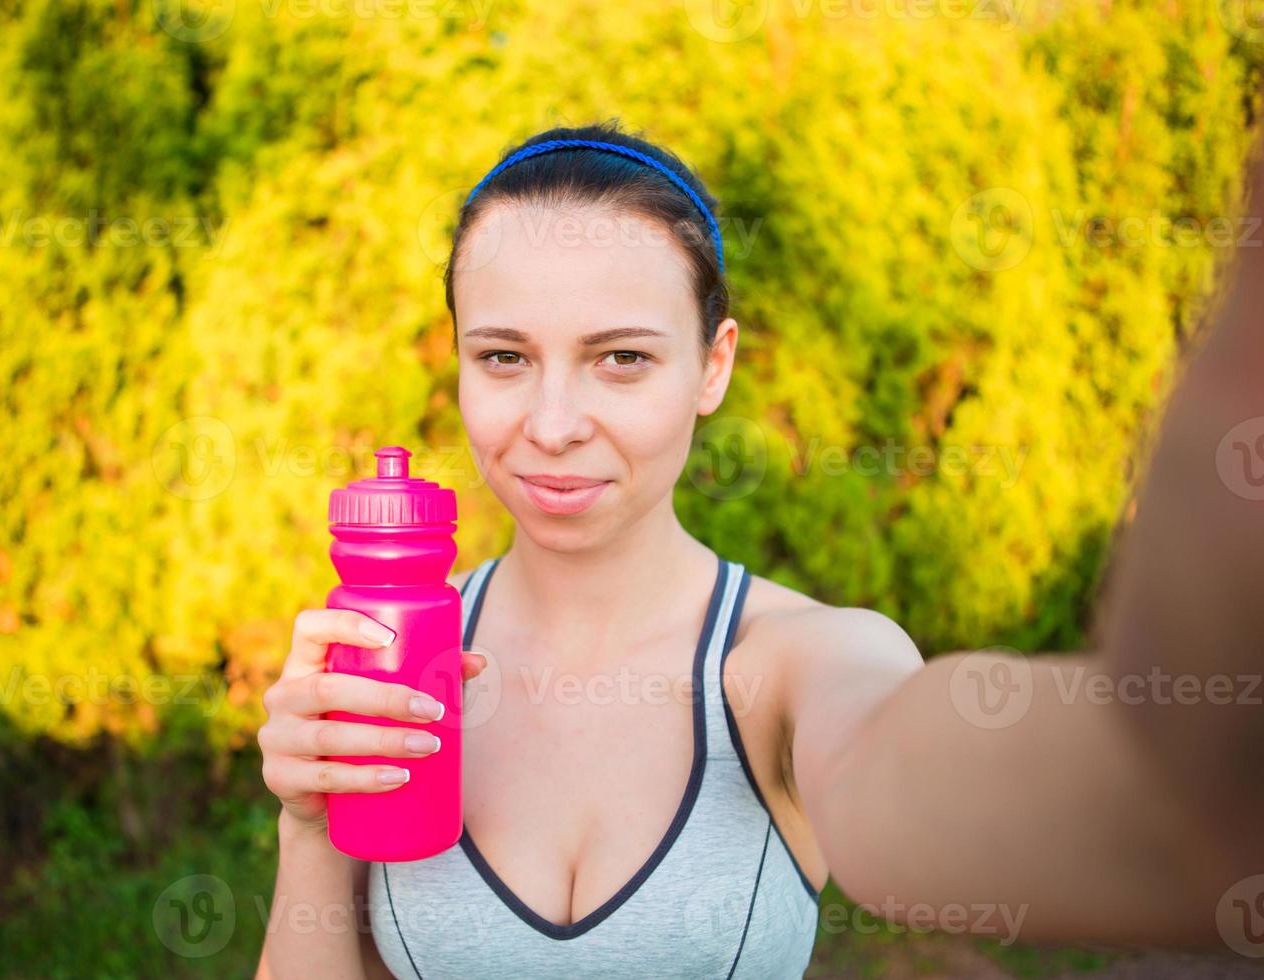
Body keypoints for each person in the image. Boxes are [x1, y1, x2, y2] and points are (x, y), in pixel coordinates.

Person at [254, 120, 1262, 980]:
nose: (552, 423)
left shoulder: (792, 664)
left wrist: (1188, 772)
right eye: (506, 357)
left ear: (713, 365)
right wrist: (307, 824)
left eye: (622, 359)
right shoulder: (391, 664)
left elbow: (918, 771)